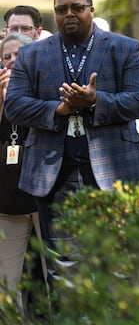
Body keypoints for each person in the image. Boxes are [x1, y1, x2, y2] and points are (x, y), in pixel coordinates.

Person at [4, 0, 139, 285]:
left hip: (116, 170)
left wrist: (96, 100)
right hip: (55, 173)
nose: (69, 14)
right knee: (62, 268)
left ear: (91, 11)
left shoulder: (125, 48)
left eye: (77, 8)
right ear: (55, 15)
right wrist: (57, 110)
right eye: (61, 9)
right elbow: (15, 106)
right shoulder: (32, 54)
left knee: (120, 265)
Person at [0, 33, 46, 315]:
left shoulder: (46, 89)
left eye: (20, 56)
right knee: (6, 283)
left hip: (44, 196)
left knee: (56, 275)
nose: (13, 62)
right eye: (7, 57)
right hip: (7, 201)